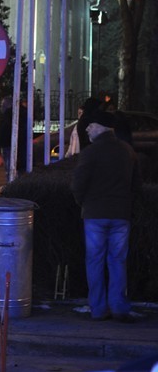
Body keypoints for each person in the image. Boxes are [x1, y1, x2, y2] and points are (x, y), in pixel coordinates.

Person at [71, 110, 141, 323]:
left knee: (95, 261)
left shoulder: (91, 153)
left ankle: (99, 308)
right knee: (118, 261)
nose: (87, 130)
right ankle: (119, 306)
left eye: (90, 126)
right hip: (121, 214)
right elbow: (135, 185)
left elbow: (78, 184)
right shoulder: (127, 151)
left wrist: (82, 203)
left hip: (95, 214)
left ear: (100, 127)